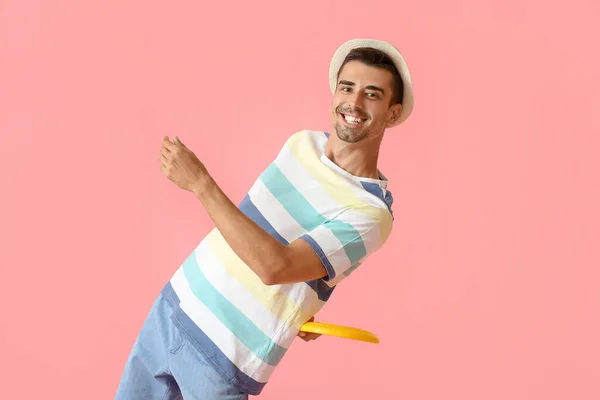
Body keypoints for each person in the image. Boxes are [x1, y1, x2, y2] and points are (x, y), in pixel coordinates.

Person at [115, 38, 414, 400]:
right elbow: (262, 230)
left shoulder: (372, 214)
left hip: (225, 355)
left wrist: (200, 184)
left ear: (392, 113)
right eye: (347, 88)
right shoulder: (301, 144)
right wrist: (295, 303)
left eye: (372, 94)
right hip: (175, 305)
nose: (354, 102)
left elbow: (275, 266)